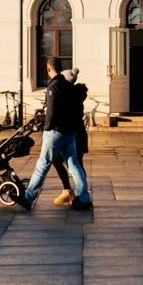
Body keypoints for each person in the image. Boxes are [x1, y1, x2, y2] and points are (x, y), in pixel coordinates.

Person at [13, 61, 92, 212]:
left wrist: (47, 128)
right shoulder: (70, 87)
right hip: (70, 132)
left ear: (48, 69)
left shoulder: (54, 86)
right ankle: (84, 198)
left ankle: (28, 198)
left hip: (56, 132)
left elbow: (51, 111)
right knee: (74, 165)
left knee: (43, 164)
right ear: (61, 69)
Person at [50, 71, 90, 206]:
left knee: (68, 162)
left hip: (71, 133)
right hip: (78, 133)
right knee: (76, 163)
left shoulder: (70, 95)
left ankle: (72, 192)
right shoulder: (76, 93)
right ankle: (78, 194)